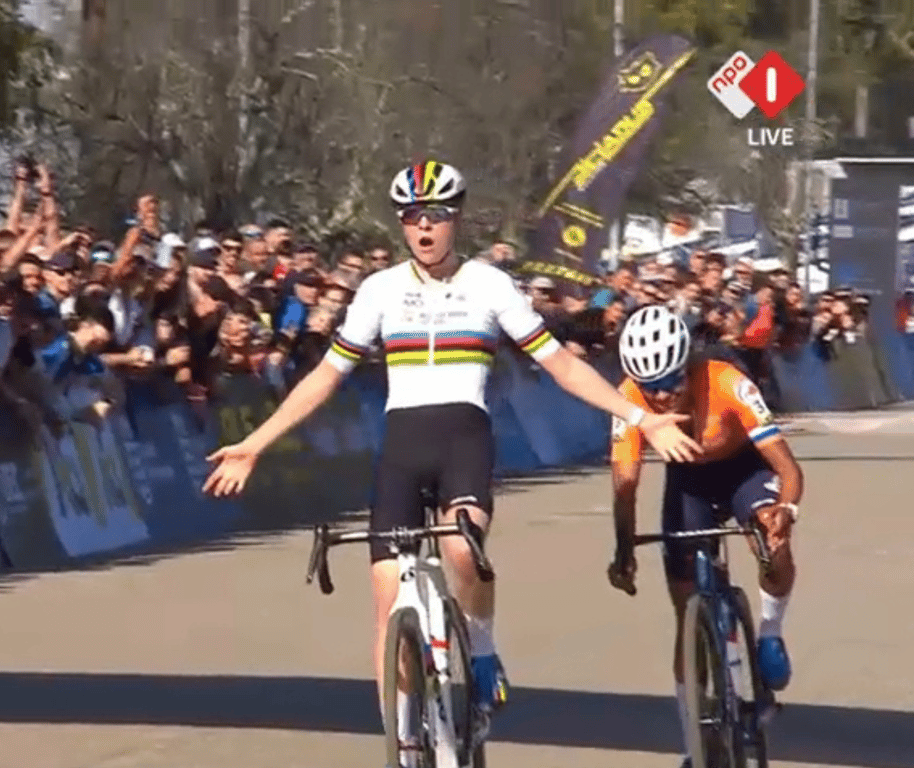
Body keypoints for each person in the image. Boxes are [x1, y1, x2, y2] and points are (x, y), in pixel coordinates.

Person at [203, 160, 701, 742]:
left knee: (463, 551)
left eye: (435, 216)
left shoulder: (490, 286)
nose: (423, 228)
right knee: (387, 599)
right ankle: (406, 736)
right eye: (412, 216)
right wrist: (255, 444)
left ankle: (483, 651)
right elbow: (324, 377)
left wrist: (642, 419)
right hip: (402, 448)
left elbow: (561, 364)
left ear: (455, 220)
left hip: (464, 439)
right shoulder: (378, 291)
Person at [605, 305, 801, 768]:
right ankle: (693, 741)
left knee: (772, 544)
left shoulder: (728, 381)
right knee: (685, 609)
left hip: (744, 470)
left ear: (688, 364)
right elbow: (625, 485)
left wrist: (785, 512)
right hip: (688, 483)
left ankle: (770, 631)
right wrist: (622, 550)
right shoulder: (628, 397)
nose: (663, 396)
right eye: (650, 388)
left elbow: (788, 469)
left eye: (671, 381)